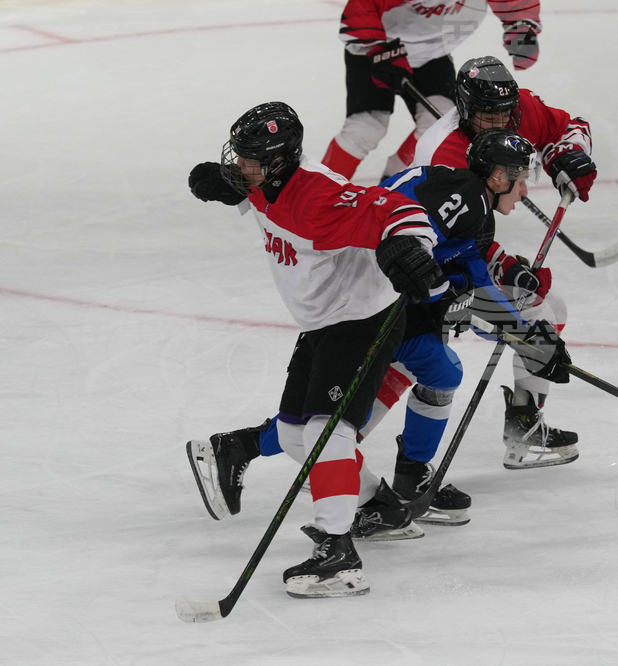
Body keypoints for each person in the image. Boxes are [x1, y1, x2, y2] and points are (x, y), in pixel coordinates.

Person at [185, 101, 449, 599]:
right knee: (291, 436)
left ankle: (338, 552)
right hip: (323, 324)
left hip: (362, 320)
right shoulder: (263, 184)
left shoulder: (319, 196)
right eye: (237, 157)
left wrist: (408, 245)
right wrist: (229, 187)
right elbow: (259, 198)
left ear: (280, 161)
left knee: (327, 433)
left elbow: (398, 208)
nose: (239, 167)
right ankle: (382, 508)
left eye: (248, 160)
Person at [354, 127, 571, 529]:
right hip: (366, 289)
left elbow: (475, 278)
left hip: (380, 284)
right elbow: (407, 250)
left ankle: (401, 474)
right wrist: (526, 338)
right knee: (424, 372)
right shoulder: (466, 200)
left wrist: (528, 338)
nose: (525, 192)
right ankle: (333, 457)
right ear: (498, 177)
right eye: (521, 181)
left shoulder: (473, 200)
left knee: (440, 370)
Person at [386, 55, 596, 469]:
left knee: (546, 309)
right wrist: (523, 335)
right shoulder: (444, 156)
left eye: (505, 113)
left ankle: (523, 422)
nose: (500, 123)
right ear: (464, 110)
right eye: (487, 115)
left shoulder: (516, 112)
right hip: (408, 268)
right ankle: (334, 449)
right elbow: (451, 249)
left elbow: (570, 127)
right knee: (418, 358)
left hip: (446, 258)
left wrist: (567, 155)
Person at [322, 0, 544, 181]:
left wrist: (522, 29)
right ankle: (320, 193)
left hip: (432, 53)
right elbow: (362, 6)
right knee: (366, 128)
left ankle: (390, 185)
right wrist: (379, 48)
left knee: (440, 123)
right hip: (378, 47)